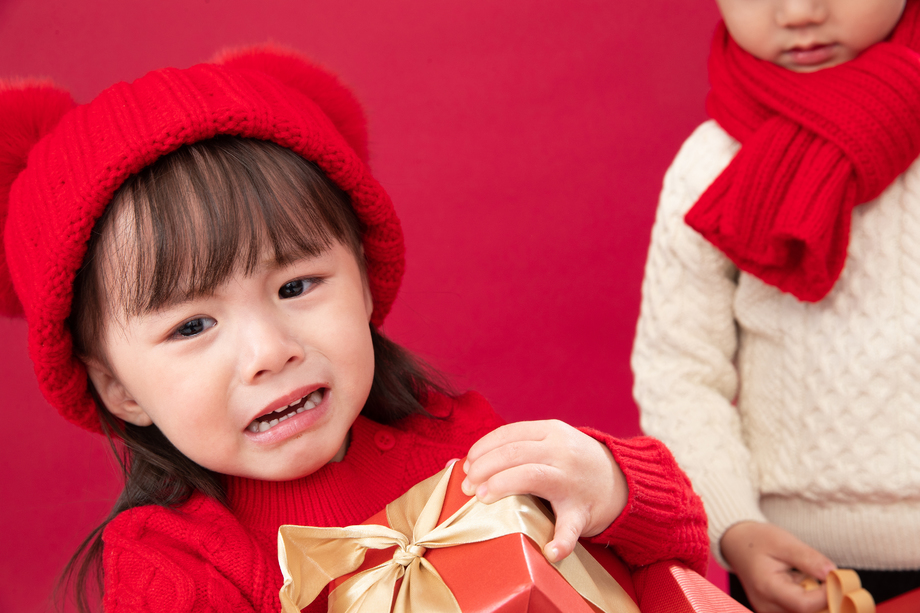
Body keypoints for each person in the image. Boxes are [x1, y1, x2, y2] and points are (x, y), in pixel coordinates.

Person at [0, 47, 707, 612]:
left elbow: (678, 544)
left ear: (365, 279)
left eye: (296, 286)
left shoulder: (453, 441)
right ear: (120, 388)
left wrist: (609, 486)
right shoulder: (180, 565)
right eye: (192, 325)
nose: (270, 351)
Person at [632, 1, 920, 611]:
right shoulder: (711, 163)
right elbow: (680, 375)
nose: (799, 11)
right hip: (794, 561)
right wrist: (736, 529)